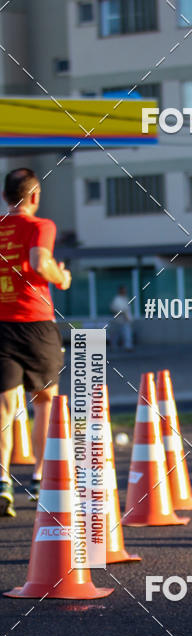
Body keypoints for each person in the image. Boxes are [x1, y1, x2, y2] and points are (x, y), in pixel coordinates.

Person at [0, 168, 70, 517]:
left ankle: (2, 482)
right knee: (44, 401)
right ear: (34, 196)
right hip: (36, 324)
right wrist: (62, 277)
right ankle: (40, 479)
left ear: (4, 197)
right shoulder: (42, 226)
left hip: (2, 325)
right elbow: (40, 262)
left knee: (4, 406)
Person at [110, 284, 134, 350]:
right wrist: (123, 313)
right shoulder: (117, 299)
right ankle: (114, 346)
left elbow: (127, 310)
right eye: (123, 290)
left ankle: (128, 346)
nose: (125, 291)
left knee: (127, 333)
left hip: (125, 320)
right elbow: (113, 309)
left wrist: (129, 317)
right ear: (120, 291)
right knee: (116, 334)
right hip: (119, 320)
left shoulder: (126, 298)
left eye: (125, 290)